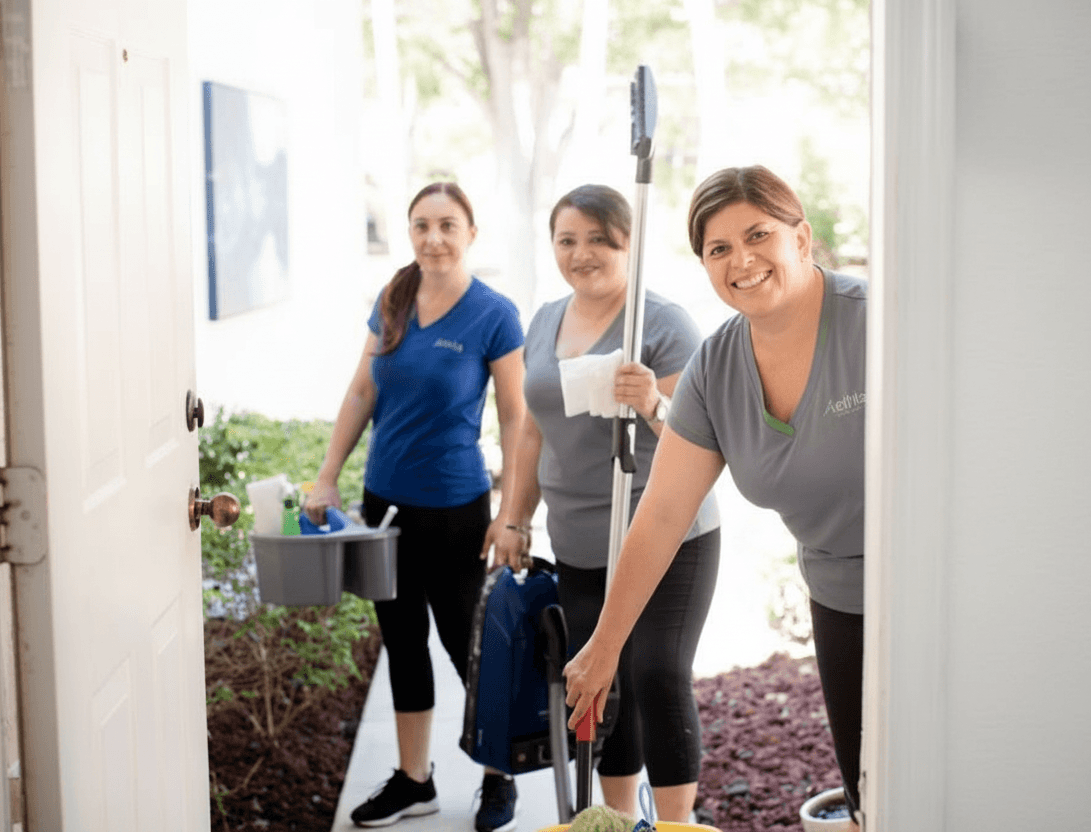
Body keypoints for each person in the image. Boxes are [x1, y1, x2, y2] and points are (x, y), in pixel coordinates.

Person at [560, 166, 866, 829]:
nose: (741, 260)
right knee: (870, 787)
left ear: (802, 238)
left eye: (758, 235)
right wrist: (605, 646)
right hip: (840, 597)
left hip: (932, 597)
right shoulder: (715, 368)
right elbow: (665, 511)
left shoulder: (876, 325)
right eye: (718, 249)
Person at [488, 184, 722, 822]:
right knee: (599, 678)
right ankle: (617, 818)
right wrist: (514, 517)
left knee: (657, 672)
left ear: (629, 244)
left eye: (598, 239)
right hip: (579, 539)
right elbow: (531, 430)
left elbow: (701, 444)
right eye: (567, 240)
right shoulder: (544, 320)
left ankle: (675, 822)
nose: (581, 253)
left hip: (665, 533)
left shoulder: (662, 324)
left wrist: (649, 402)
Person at [304, 182, 527, 832]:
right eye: (422, 225)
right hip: (384, 505)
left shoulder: (494, 313)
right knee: (401, 642)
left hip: (456, 510)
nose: (434, 238)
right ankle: (413, 780)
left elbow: (516, 418)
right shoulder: (394, 297)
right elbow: (359, 393)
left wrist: (511, 511)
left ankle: (498, 774)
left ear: (471, 234)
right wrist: (326, 477)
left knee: (468, 648)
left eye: (448, 225)